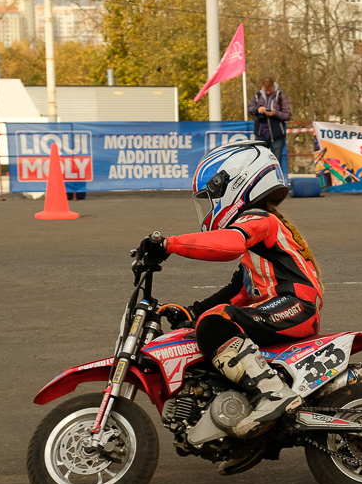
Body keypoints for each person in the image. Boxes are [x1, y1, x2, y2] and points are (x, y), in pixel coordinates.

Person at [135, 141, 323, 444]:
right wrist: (191, 313)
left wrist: (169, 244)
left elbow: (230, 244)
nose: (208, 207)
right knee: (208, 321)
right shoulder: (258, 243)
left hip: (295, 305)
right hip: (286, 306)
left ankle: (272, 393)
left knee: (214, 322)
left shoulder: (260, 220)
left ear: (236, 183)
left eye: (211, 197)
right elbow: (237, 292)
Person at [247, 76, 292, 176]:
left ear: (273, 86)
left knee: (276, 163)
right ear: (262, 87)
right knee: (260, 163)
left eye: (270, 90)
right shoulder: (257, 95)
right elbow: (248, 110)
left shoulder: (280, 96)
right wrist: (258, 109)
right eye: (266, 90)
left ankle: (276, 184)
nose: (268, 92)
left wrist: (275, 113)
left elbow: (288, 115)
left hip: (277, 136)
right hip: (260, 135)